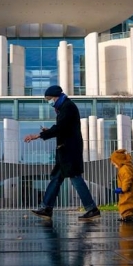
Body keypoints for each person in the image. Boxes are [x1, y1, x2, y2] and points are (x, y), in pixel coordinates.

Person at [24, 85, 101, 221]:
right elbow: (63, 128)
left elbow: (61, 128)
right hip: (65, 150)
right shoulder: (63, 108)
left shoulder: (67, 107)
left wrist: (39, 135)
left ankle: (91, 208)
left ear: (56, 96)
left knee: (75, 178)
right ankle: (46, 207)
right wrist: (49, 131)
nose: (49, 102)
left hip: (69, 150)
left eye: (49, 99)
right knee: (56, 178)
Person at [111, 148, 133, 222]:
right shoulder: (127, 167)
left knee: (126, 204)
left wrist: (123, 189)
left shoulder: (125, 169)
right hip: (129, 191)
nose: (115, 166)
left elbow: (127, 179)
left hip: (128, 192)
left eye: (115, 164)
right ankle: (126, 216)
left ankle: (127, 217)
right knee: (127, 203)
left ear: (119, 161)